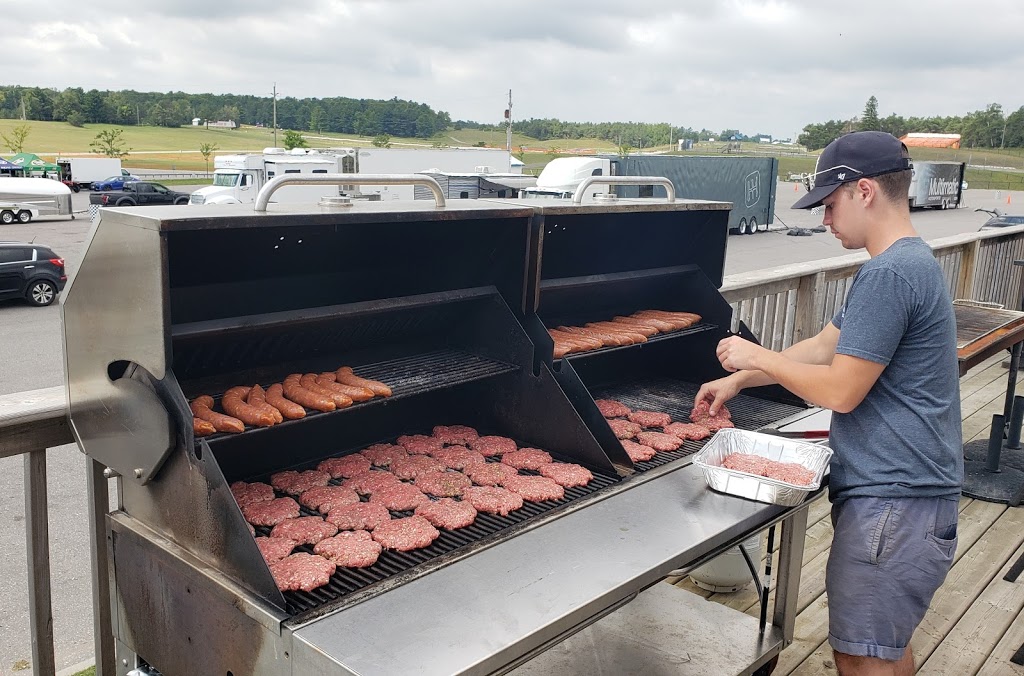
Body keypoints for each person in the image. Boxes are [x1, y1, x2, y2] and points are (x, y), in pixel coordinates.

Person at [696, 131, 963, 676]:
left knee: (861, 657)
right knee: (883, 648)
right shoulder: (907, 262)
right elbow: (824, 346)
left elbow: (841, 389)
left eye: (829, 204)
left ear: (864, 191)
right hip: (910, 500)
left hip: (894, 504)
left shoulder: (889, 273)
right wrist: (740, 380)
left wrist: (760, 355)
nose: (823, 219)